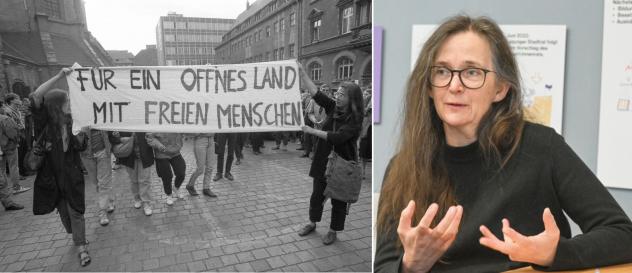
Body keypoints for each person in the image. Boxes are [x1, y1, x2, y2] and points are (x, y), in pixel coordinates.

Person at [374, 15, 632, 273]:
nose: (454, 85)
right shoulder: (404, 166)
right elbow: (384, 266)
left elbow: (623, 234)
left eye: (472, 72)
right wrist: (410, 266)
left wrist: (556, 253)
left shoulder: (541, 147)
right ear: (428, 86)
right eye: (442, 71)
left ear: (501, 88)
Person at [296, 67, 365, 245]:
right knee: (317, 195)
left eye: (342, 94)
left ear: (352, 99)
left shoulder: (356, 119)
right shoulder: (333, 107)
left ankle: (333, 230)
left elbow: (338, 137)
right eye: (338, 93)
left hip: (342, 163)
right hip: (323, 160)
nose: (338, 96)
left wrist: (312, 130)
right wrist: (302, 73)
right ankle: (312, 222)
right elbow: (316, 93)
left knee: (339, 200)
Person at [30, 68, 91, 267]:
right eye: (66, 102)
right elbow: (37, 95)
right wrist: (59, 76)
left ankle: (81, 247)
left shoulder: (72, 122)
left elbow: (81, 146)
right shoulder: (44, 124)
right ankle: (76, 236)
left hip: (72, 175)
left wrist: (82, 132)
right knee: (65, 214)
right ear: (56, 105)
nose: (69, 105)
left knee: (76, 212)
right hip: (52, 177)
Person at [108, 131, 155, 216]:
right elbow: (112, 139)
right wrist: (119, 137)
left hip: (145, 155)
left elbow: (156, 136)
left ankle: (146, 202)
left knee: (145, 181)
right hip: (129, 156)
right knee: (134, 180)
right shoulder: (123, 124)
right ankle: (137, 198)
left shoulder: (146, 121)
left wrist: (152, 135)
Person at [80, 128, 115, 226]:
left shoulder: (102, 112)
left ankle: (102, 212)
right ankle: (110, 200)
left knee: (103, 183)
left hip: (103, 151)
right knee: (96, 183)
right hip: (87, 154)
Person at [146, 133, 186, 205]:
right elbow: (149, 137)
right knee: (166, 176)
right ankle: (169, 195)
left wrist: (180, 141)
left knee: (181, 172)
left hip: (175, 152)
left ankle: (176, 188)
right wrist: (159, 145)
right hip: (161, 153)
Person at [2, 93, 29, 194]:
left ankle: (5, 188)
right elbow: (9, 127)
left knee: (6, 167)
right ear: (11, 100)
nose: (19, 100)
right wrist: (16, 137)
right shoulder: (7, 111)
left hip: (10, 139)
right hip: (10, 141)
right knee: (13, 165)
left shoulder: (15, 110)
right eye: (17, 98)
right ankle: (16, 187)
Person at [0, 109, 24, 211]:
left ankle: (8, 202)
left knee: (2, 175)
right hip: (8, 147)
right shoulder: (4, 119)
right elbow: (13, 133)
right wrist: (16, 140)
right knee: (3, 177)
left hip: (2, 149)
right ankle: (9, 200)